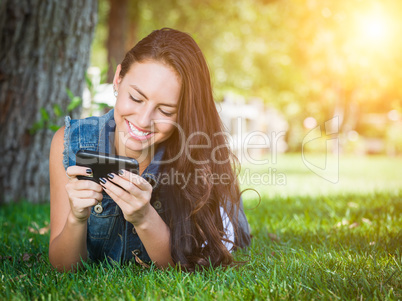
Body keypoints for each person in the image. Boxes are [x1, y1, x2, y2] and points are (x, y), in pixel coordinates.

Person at [49, 28, 251, 272]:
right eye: (136, 98)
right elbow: (62, 267)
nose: (144, 120)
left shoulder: (197, 154)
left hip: (224, 220)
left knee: (231, 233)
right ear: (118, 78)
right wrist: (76, 218)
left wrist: (144, 217)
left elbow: (187, 266)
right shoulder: (70, 143)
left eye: (165, 111)